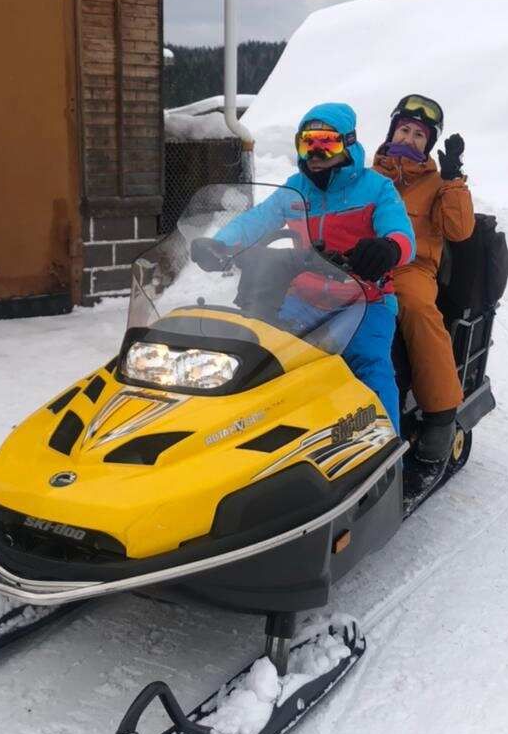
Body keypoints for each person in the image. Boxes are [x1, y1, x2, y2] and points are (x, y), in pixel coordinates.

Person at [190, 101, 414, 432]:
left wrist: (389, 247)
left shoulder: (376, 188)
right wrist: (221, 244)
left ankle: (388, 446)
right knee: (265, 357)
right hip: (306, 297)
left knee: (371, 365)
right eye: (308, 144)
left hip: (365, 299)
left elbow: (401, 232)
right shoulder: (295, 189)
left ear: (348, 144)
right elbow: (257, 220)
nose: (316, 154)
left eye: (327, 143)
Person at [372, 94, 475, 476]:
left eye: (419, 135)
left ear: (428, 144)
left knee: (417, 309)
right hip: (363, 263)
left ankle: (440, 414)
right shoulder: (369, 175)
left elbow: (460, 230)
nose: (410, 138)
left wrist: (453, 180)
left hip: (411, 269)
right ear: (392, 132)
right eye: (404, 129)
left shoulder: (438, 182)